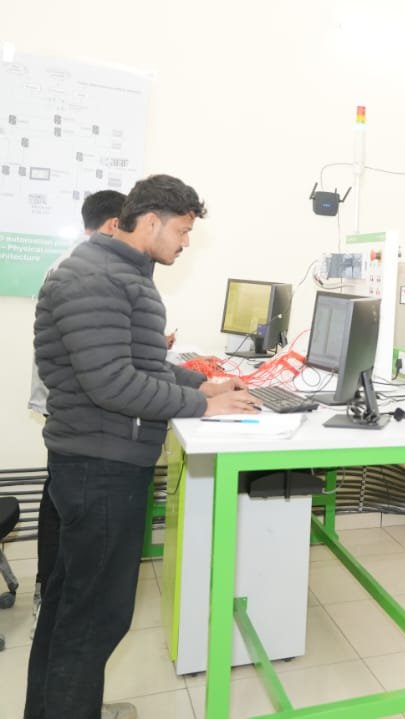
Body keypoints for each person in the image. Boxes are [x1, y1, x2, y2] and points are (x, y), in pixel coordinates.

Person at [27, 175, 259, 719]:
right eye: (182, 231)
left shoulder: (117, 271)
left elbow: (141, 365)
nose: (186, 243)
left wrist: (202, 386)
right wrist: (203, 407)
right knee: (94, 618)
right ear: (151, 221)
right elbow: (112, 384)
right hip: (100, 466)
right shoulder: (99, 277)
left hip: (96, 459)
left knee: (71, 607)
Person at [27, 189, 127, 639]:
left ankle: (51, 591)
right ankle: (48, 592)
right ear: (114, 225)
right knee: (60, 506)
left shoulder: (75, 264)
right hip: (72, 407)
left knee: (60, 501)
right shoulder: (83, 270)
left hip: (65, 401)